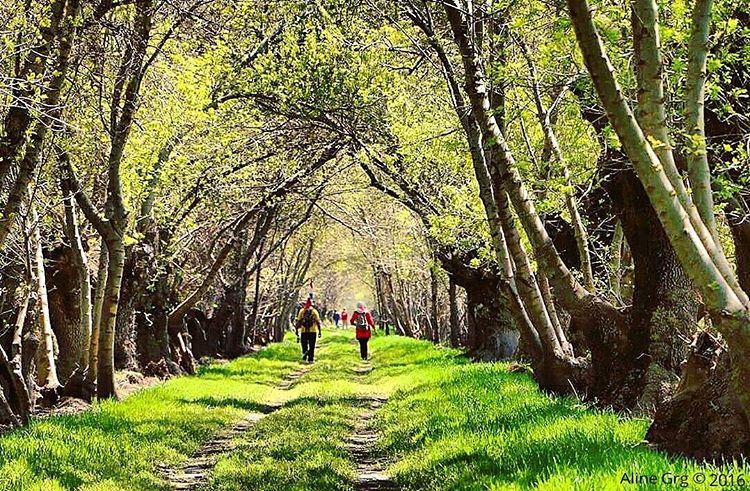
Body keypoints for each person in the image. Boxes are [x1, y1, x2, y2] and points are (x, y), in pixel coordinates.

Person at [295, 298, 322, 363]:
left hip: (304, 331)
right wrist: (319, 331)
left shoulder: (302, 311)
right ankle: (311, 359)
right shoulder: (314, 311)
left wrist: (296, 330)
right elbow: (318, 322)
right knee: (312, 345)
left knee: (304, 345)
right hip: (313, 331)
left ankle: (304, 357)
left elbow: (298, 321)